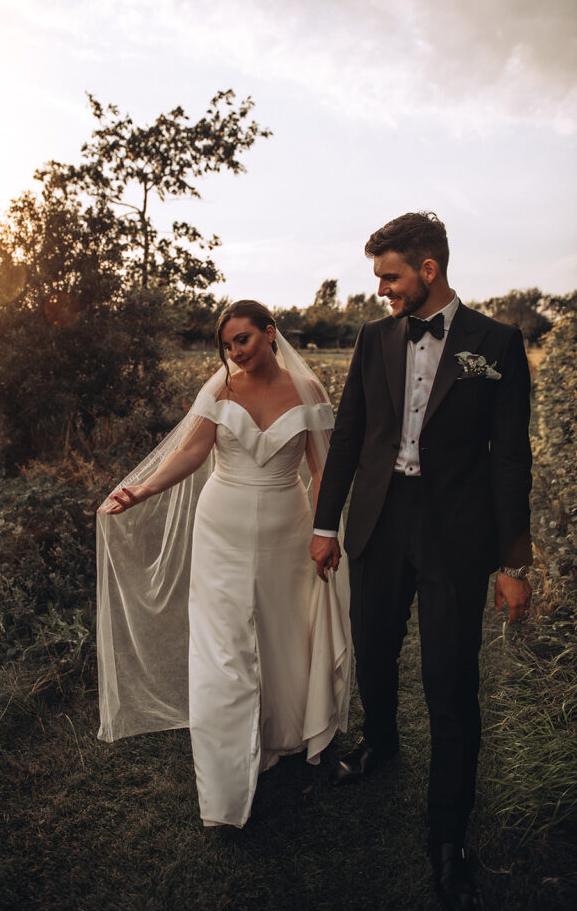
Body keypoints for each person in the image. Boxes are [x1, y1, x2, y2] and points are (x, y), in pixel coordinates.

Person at [310, 212, 532, 911]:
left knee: (449, 683)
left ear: (427, 270)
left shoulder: (495, 343)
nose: (379, 289)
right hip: (377, 520)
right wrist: (325, 522)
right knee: (373, 650)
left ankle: (447, 838)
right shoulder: (373, 339)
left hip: (455, 535)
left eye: (389, 276)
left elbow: (510, 462)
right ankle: (380, 741)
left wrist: (512, 563)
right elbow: (348, 434)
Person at [97, 300, 351, 829]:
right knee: (224, 643)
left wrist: (324, 533)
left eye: (244, 340)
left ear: (270, 333)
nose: (236, 352)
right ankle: (225, 775)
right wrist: (142, 489)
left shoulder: (310, 393)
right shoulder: (221, 389)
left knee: (284, 634)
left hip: (289, 530)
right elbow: (191, 453)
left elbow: (322, 470)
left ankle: (280, 733)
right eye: (228, 345)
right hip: (221, 529)